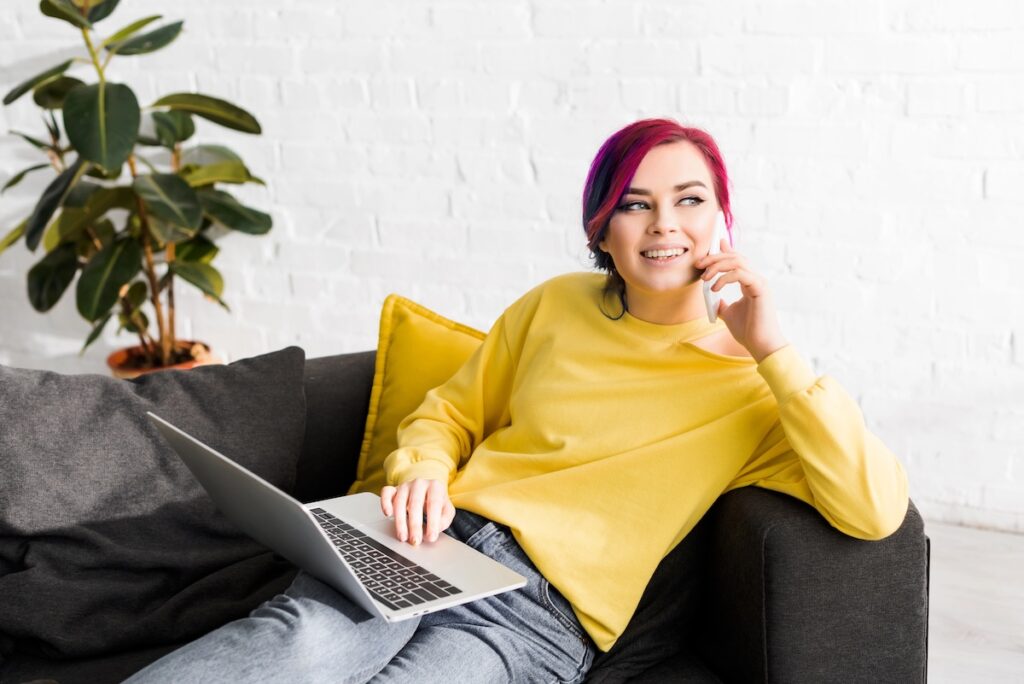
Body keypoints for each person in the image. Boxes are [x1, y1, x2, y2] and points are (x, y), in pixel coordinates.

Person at [125, 118, 910, 683]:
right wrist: (420, 471)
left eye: (690, 199)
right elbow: (449, 412)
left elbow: (873, 512)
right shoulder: (556, 305)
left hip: (540, 613)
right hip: (432, 540)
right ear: (602, 230)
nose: (664, 224)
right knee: (296, 646)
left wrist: (774, 349)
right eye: (635, 204)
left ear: (722, 216)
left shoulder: (760, 388)